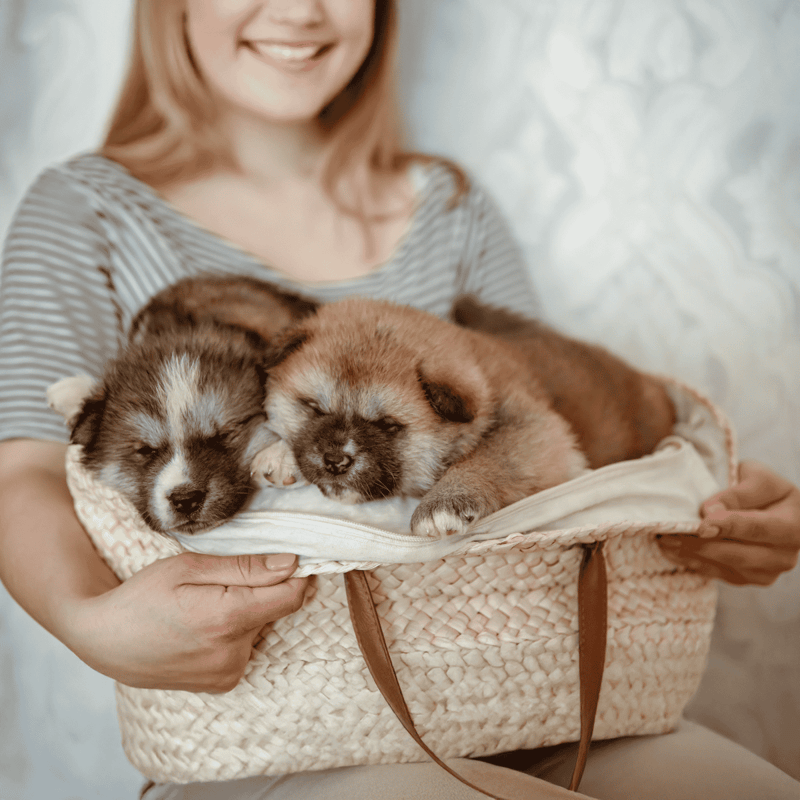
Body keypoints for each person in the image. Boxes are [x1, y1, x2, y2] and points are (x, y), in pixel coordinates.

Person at [0, 1, 798, 798]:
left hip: (529, 697)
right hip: (267, 729)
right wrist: (87, 619)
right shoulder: (87, 211)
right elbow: (24, 470)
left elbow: (543, 424)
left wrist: (716, 509)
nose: (300, 11)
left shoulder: (449, 208)